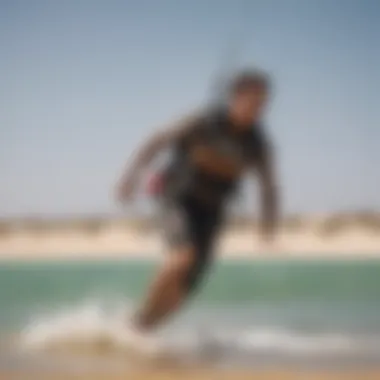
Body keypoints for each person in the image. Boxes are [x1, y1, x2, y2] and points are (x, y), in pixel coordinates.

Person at [116, 69, 279, 354]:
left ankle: (140, 329)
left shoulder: (257, 143)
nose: (257, 110)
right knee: (181, 259)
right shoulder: (203, 123)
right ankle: (136, 326)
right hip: (176, 199)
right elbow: (156, 141)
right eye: (252, 102)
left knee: (184, 292)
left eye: (262, 104)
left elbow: (268, 186)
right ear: (235, 98)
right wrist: (130, 177)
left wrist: (268, 226)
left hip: (211, 213)